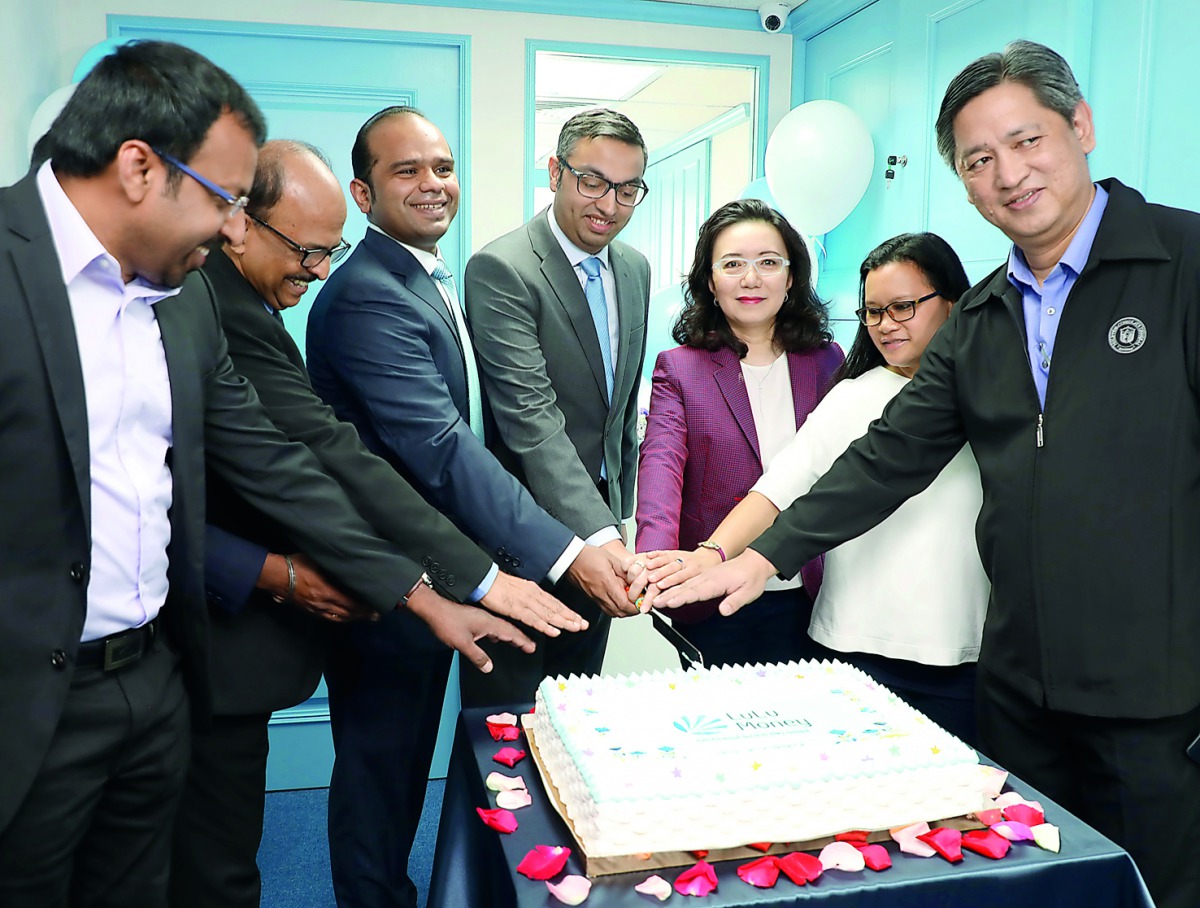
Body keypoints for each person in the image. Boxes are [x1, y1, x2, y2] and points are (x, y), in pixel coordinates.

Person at [658, 40, 1200, 908]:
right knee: (1023, 886)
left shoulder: (1183, 262)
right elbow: (885, 457)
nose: (1010, 175)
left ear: (1081, 127)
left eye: (1027, 141)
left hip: (1154, 689)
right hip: (1017, 686)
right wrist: (760, 557)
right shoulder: (982, 316)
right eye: (979, 161)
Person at [0, 41, 534, 908]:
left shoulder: (182, 301)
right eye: (222, 199)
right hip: (28, 700)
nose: (229, 225)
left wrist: (425, 593)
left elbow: (282, 459)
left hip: (159, 682)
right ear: (140, 168)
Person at [168, 140, 582, 908]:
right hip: (236, 614)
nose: (319, 270)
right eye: (306, 250)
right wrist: (449, 584)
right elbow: (334, 459)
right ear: (237, 224)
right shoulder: (245, 300)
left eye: (445, 167)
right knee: (280, 828)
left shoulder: (255, 299)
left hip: (385, 571)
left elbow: (304, 451)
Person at [306, 106, 633, 908]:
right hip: (393, 575)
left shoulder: (422, 276)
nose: (433, 185)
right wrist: (563, 552)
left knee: (428, 761)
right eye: (406, 171)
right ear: (362, 190)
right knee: (382, 774)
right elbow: (443, 449)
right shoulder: (366, 296)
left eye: (443, 167)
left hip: (451, 567)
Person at [646, 232, 987, 743]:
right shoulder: (853, 395)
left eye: (903, 307)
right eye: (873, 312)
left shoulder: (993, 399)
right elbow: (778, 486)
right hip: (851, 648)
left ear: (954, 303)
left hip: (962, 653)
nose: (886, 325)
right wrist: (713, 553)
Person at [464, 108, 653, 703]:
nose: (609, 204)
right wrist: (601, 539)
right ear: (555, 172)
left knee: (577, 716)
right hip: (522, 541)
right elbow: (533, 423)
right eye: (592, 180)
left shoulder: (635, 269)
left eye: (628, 189)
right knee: (508, 735)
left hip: (601, 529)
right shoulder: (503, 268)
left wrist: (618, 521)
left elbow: (616, 411)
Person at [629, 199, 843, 667]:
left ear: (791, 277)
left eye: (768, 263)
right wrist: (656, 560)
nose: (751, 279)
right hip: (715, 596)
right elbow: (661, 464)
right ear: (710, 280)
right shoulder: (681, 368)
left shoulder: (827, 361)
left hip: (811, 588)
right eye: (733, 265)